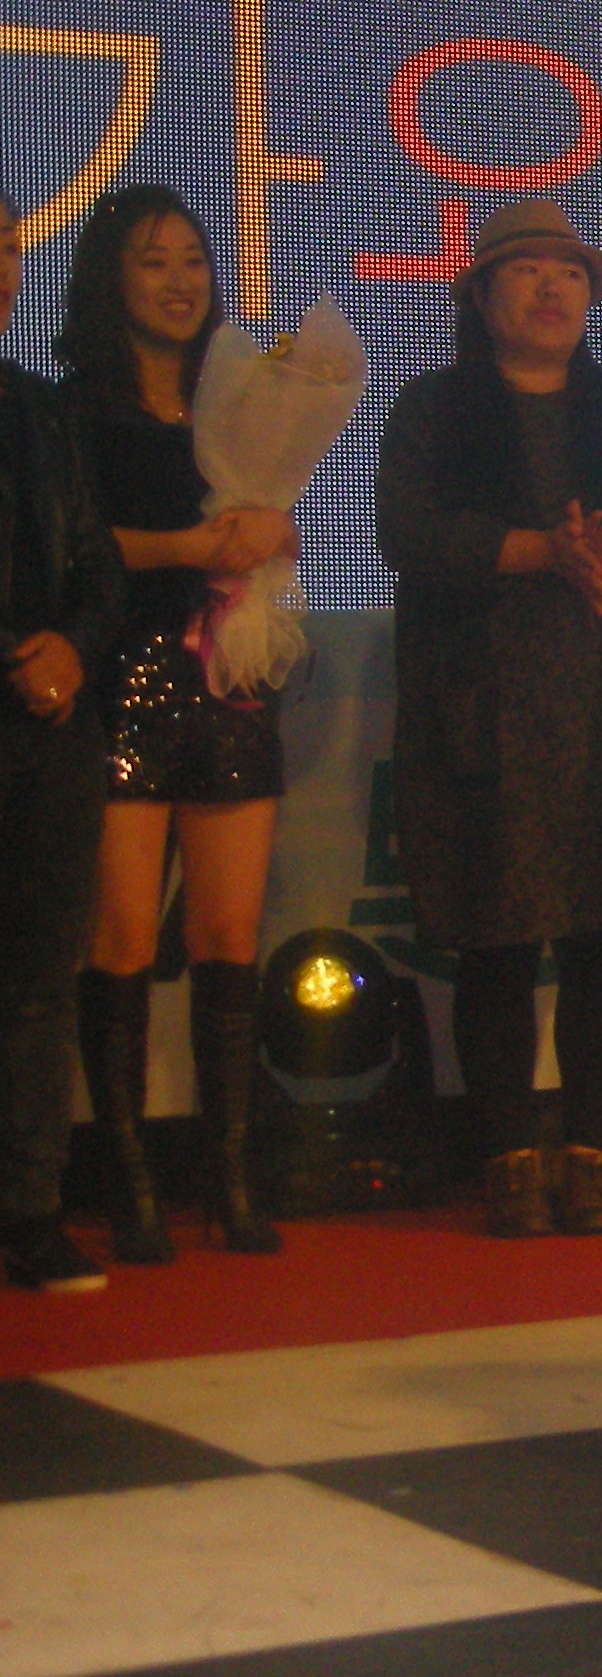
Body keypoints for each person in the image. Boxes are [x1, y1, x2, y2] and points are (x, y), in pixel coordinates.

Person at [375, 199, 602, 1239]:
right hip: (484, 715)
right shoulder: (436, 408)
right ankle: (507, 1158)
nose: (552, 288)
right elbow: (407, 534)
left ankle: (591, 1153)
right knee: (499, 942)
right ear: (481, 296)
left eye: (569, 272)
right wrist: (542, 552)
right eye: (525, 270)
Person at [57, 185, 294, 1261]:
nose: (179, 281)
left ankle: (229, 1172)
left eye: (194, 259)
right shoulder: (72, 412)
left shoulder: (239, 404)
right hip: (115, 675)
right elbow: (73, 545)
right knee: (117, 937)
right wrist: (183, 549)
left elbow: (276, 530)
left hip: (226, 676)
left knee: (229, 936)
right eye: (153, 261)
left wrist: (270, 534)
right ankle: (126, 1175)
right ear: (111, 279)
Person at [1, 188, 122, 1295]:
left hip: (46, 734)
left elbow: (96, 565)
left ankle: (30, 1210)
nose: (0, 271)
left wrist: (75, 650)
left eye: (5, 247)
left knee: (41, 981)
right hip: (20, 686)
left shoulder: (43, 410)